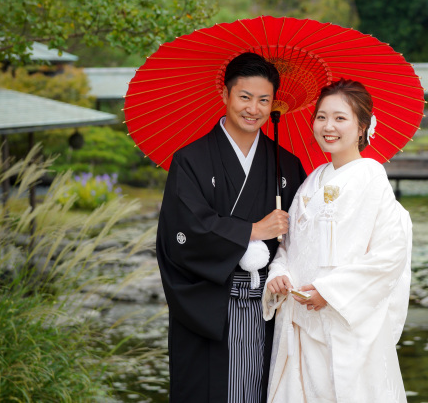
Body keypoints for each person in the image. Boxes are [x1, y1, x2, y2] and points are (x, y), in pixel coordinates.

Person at [156, 52, 306, 402]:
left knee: (264, 389)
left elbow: (299, 241)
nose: (254, 108)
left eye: (264, 100)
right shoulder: (190, 160)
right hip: (210, 307)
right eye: (245, 97)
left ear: (273, 104)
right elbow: (182, 234)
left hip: (268, 305)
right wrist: (252, 230)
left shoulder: (286, 163)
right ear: (225, 95)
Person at [263, 78, 413, 403]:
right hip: (300, 320)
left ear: (362, 128)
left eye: (340, 118)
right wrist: (279, 275)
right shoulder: (311, 181)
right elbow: (288, 247)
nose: (328, 126)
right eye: (321, 117)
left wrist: (329, 293)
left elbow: (390, 254)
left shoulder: (371, 176)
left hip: (344, 323)